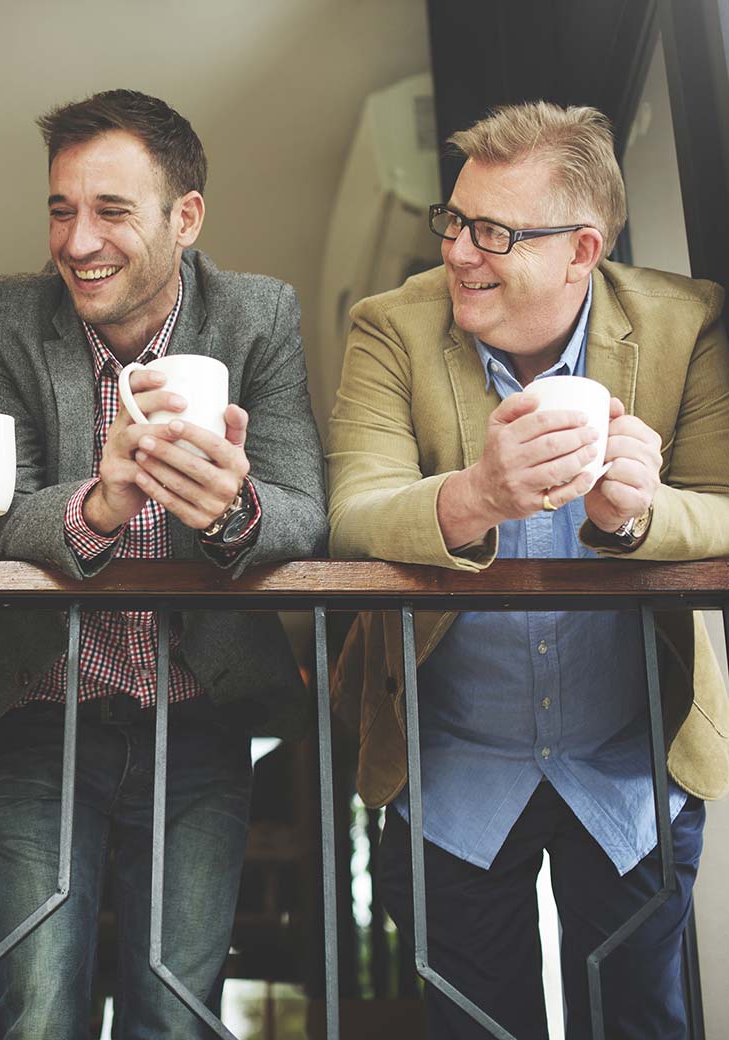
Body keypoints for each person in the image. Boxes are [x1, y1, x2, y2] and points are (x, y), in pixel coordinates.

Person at [0, 89, 327, 1037]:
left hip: (201, 720)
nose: (77, 240)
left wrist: (232, 508)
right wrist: (99, 505)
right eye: (61, 208)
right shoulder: (3, 316)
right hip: (35, 714)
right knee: (36, 1009)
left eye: (110, 211)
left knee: (176, 1017)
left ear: (187, 218)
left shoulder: (260, 315)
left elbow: (307, 512)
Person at [327, 100, 729, 1038]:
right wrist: (476, 496)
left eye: (495, 232)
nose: (460, 251)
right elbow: (352, 511)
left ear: (582, 250)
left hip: (630, 770)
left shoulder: (684, 322)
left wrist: (636, 516)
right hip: (452, 771)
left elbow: (720, 502)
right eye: (456, 220)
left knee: (643, 1025)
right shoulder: (390, 326)